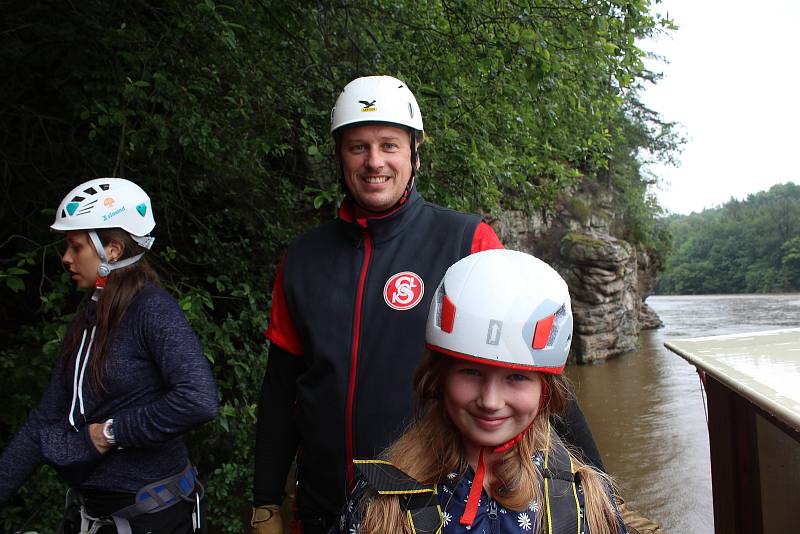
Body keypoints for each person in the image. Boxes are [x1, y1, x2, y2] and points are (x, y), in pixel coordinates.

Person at [251, 75, 602, 534]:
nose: (374, 161)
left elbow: (535, 371)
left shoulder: (466, 242)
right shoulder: (302, 260)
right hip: (321, 506)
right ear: (339, 156)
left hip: (424, 512)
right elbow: (280, 391)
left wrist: (594, 485)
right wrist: (265, 499)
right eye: (358, 147)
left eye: (388, 145)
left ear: (415, 154)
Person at [333, 249, 626, 534]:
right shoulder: (384, 498)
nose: (490, 401)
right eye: (471, 372)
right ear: (440, 377)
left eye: (516, 377)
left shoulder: (583, 503)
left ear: (546, 391)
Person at [0, 178, 219, 533]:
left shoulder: (152, 309)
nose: (66, 258)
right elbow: (45, 419)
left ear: (112, 250)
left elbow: (199, 400)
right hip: (96, 514)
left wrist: (110, 433)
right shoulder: (91, 317)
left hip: (153, 516)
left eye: (75, 247)